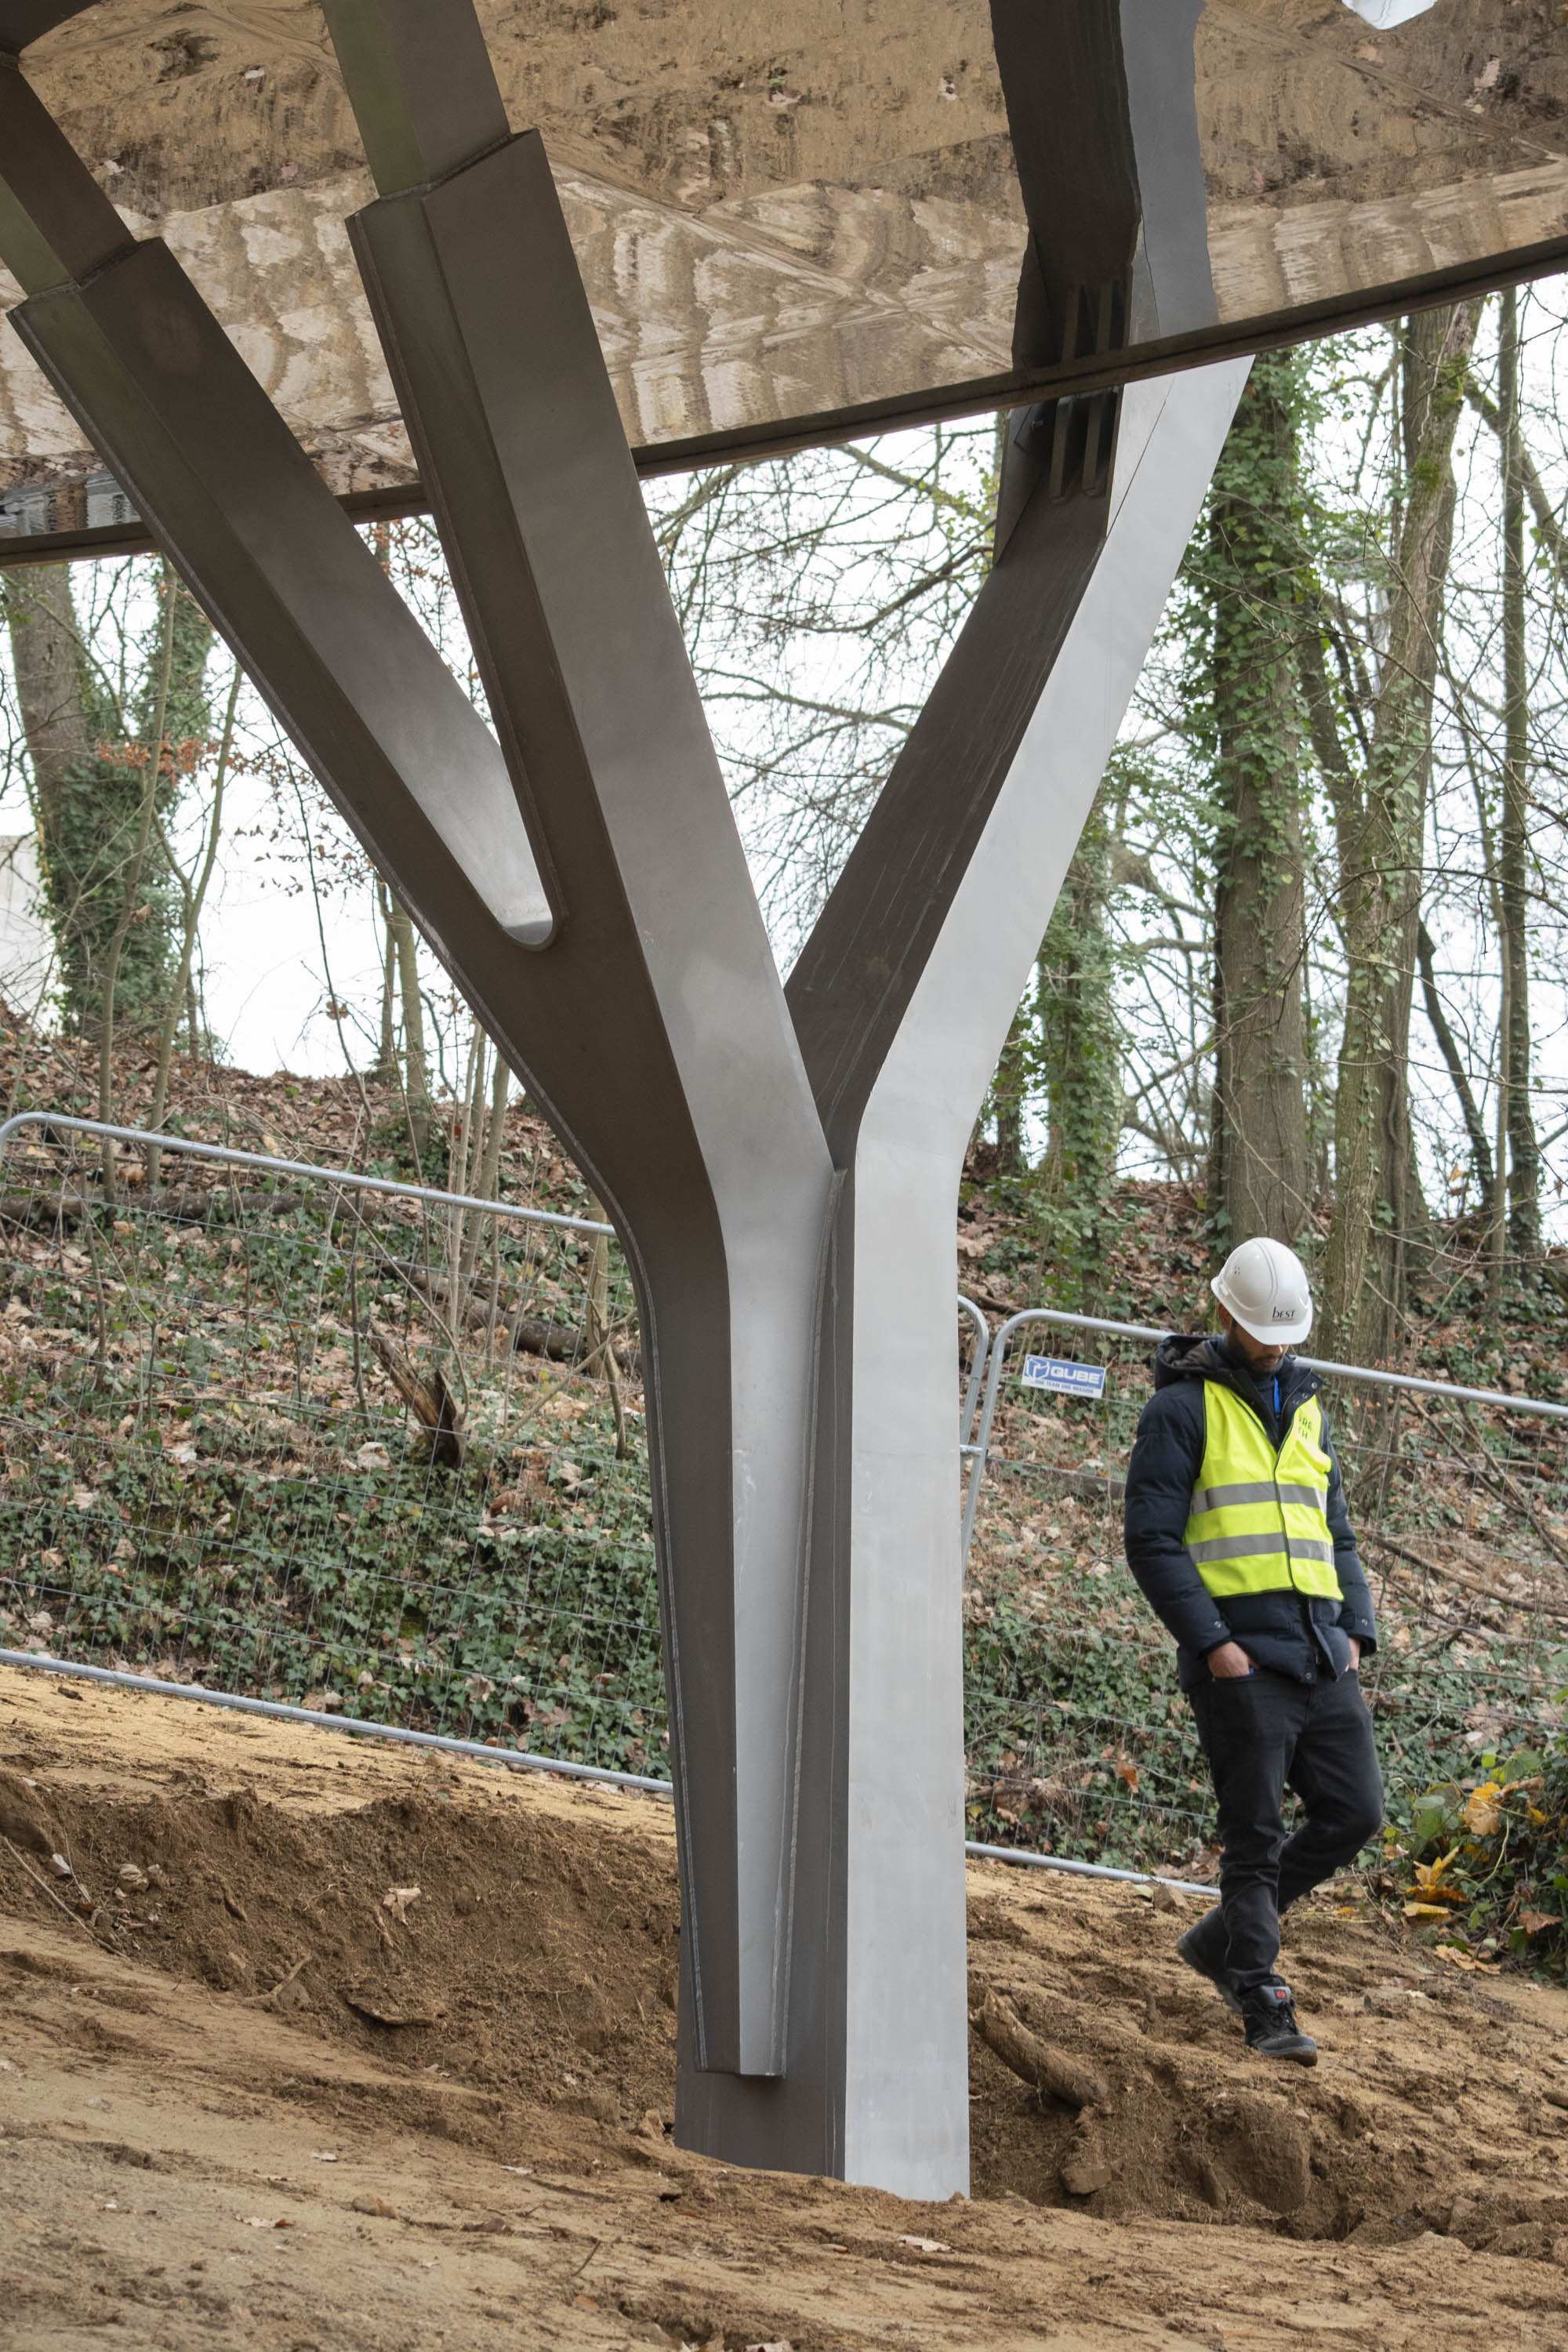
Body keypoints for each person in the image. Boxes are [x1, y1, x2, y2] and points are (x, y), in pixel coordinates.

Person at [1123, 1236, 1382, 2065]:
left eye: (1285, 1335)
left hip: (1320, 1651)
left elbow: (1336, 1533)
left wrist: (1355, 1629)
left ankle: (1217, 1941)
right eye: (1262, 1333)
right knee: (1255, 1836)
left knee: (1355, 1813)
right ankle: (1261, 1998)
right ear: (1225, 1316)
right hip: (1238, 1659)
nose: (1274, 1348)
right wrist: (1213, 1646)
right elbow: (1151, 1542)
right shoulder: (1179, 1411)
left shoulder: (1308, 1409)